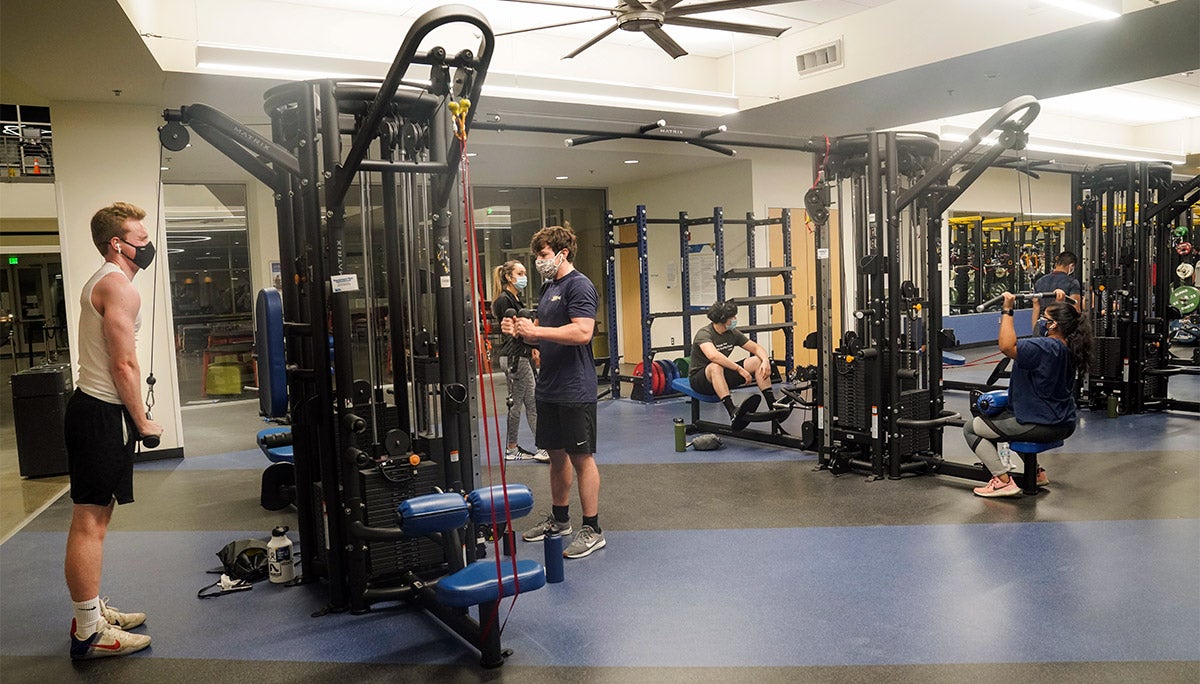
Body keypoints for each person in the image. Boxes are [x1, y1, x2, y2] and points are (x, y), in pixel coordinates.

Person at [64, 202, 162, 659]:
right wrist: (141, 421)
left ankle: (90, 614)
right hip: (102, 415)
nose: (147, 247)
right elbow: (123, 363)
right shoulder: (119, 288)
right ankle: (89, 631)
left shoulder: (104, 281)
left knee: (96, 517)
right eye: (139, 241)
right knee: (90, 523)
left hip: (95, 411)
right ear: (116, 244)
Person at [503, 225, 604, 559]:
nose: (538, 262)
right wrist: (521, 332)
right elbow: (542, 336)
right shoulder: (549, 288)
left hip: (575, 387)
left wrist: (537, 329)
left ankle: (592, 528)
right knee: (555, 456)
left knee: (581, 458)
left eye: (543, 255)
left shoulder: (579, 285)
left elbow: (582, 332)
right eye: (536, 256)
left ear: (563, 253)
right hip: (549, 385)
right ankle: (560, 520)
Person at [964, 290, 1092, 497]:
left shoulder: (1045, 347)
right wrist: (1058, 303)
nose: (1041, 321)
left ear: (1054, 325)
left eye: (1045, 319)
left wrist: (1007, 310)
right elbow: (1041, 337)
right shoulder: (1070, 346)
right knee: (1007, 420)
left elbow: (1007, 346)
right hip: (1063, 423)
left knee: (971, 428)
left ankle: (1003, 481)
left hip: (1039, 424)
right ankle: (1037, 473)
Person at [490, 260, 549, 463]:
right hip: (515, 358)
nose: (524, 277)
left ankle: (521, 447)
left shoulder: (516, 299)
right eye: (520, 273)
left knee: (528, 402)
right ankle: (525, 448)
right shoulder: (504, 301)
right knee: (524, 404)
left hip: (521, 356)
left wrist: (533, 347)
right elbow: (516, 331)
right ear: (509, 277)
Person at [688, 300, 776, 430]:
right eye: (732, 317)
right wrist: (739, 369)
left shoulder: (732, 333)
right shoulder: (704, 333)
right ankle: (732, 411)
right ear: (723, 319)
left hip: (720, 376)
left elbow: (756, 348)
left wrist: (765, 361)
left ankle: (773, 404)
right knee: (715, 366)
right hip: (700, 380)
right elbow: (713, 356)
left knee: (757, 361)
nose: (735, 319)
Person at [1031, 251, 1082, 334]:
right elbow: (1076, 309)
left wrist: (1035, 331)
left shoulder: (1040, 281)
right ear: (1071, 266)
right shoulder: (1072, 282)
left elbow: (1036, 307)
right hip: (1061, 328)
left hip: (1043, 325)